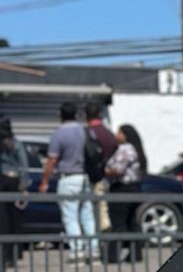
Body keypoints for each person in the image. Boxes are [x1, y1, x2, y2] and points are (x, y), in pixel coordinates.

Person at [38, 101, 97, 259]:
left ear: (60, 114)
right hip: (84, 176)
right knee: (87, 214)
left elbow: (52, 159)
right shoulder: (84, 131)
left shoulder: (59, 134)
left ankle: (77, 251)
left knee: (70, 215)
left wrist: (45, 181)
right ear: (77, 115)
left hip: (68, 177)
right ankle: (93, 249)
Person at [105, 123, 147, 262]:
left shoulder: (125, 149)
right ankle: (136, 254)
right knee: (132, 222)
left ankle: (112, 255)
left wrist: (105, 171)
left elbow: (118, 169)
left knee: (118, 224)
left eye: (119, 132)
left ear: (125, 135)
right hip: (134, 189)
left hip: (122, 189)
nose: (116, 135)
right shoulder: (136, 149)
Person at [84, 100, 119, 248]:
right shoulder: (109, 134)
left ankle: (99, 241)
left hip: (93, 176)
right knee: (104, 207)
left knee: (93, 211)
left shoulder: (88, 133)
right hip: (108, 176)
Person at [0, 116, 21, 272]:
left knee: (4, 221)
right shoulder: (14, 142)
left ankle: (7, 255)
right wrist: (23, 185)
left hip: (3, 181)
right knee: (13, 220)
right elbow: (23, 163)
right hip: (13, 180)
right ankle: (13, 255)